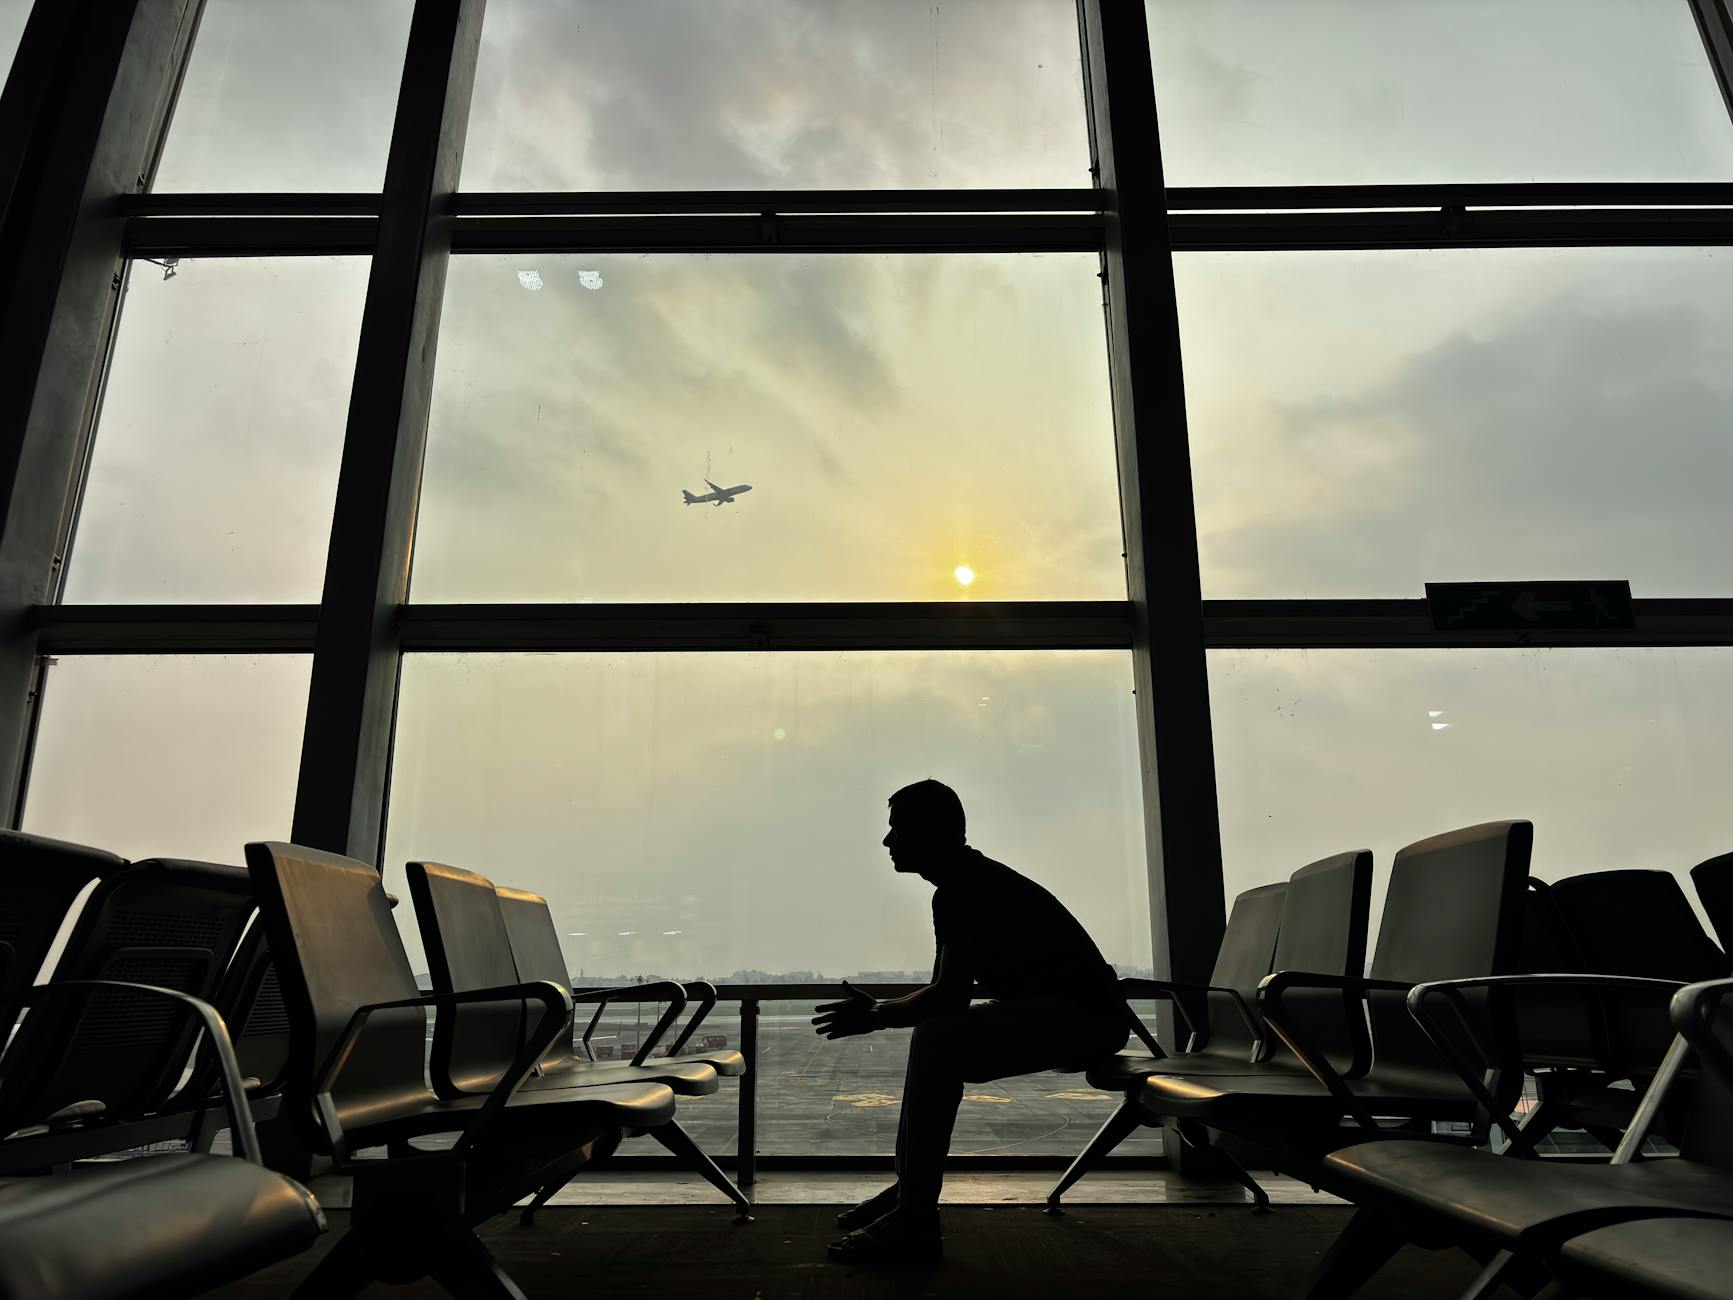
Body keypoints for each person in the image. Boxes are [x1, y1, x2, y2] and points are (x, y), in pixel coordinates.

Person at [812, 779, 1127, 1264]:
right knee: (938, 1035)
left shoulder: (962, 889)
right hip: (1081, 1015)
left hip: (1085, 1019)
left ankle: (915, 1216)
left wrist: (876, 1015)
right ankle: (911, 1196)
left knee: (938, 1038)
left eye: (898, 828)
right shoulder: (966, 881)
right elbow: (946, 991)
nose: (887, 841)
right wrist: (882, 1010)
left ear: (930, 832)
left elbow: (947, 997)